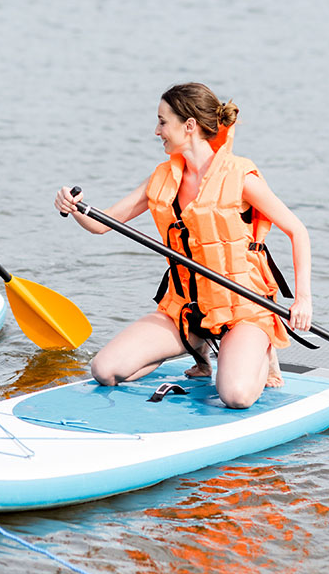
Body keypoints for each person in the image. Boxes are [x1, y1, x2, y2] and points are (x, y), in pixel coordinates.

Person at [54, 83, 312, 409]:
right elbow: (102, 224)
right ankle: (197, 346)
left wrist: (303, 299)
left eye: (163, 122)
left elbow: (297, 231)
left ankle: (261, 350)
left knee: (235, 396)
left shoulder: (240, 177)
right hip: (188, 311)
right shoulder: (162, 178)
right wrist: (72, 207)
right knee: (105, 370)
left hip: (243, 310)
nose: (157, 130)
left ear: (188, 126)